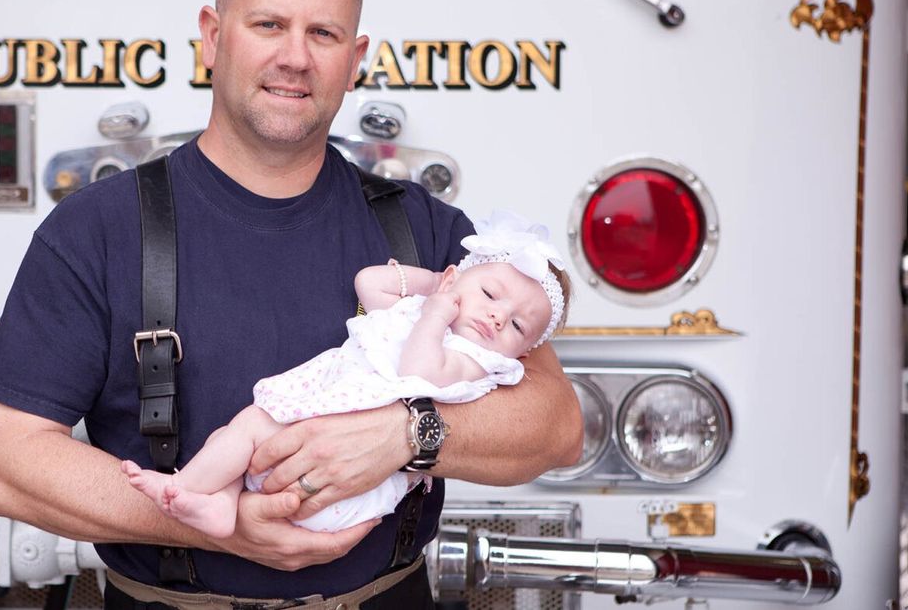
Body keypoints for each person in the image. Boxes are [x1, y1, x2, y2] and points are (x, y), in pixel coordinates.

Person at [0, 0, 582, 607]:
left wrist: (405, 434)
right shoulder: (97, 229)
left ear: (355, 57)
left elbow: (557, 426)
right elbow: (2, 459)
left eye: (323, 34)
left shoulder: (428, 232)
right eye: (268, 25)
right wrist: (214, 524)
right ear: (212, 35)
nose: (295, 57)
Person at [122, 213, 572, 538]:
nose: (497, 317)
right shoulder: (420, 308)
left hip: (345, 486)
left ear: (523, 351)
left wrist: (437, 313)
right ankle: (220, 504)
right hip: (314, 446)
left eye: (517, 326)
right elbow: (369, 283)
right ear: (455, 280)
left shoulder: (474, 361)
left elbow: (418, 374)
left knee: (252, 427)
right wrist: (437, 283)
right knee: (234, 436)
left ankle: (179, 486)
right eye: (490, 293)